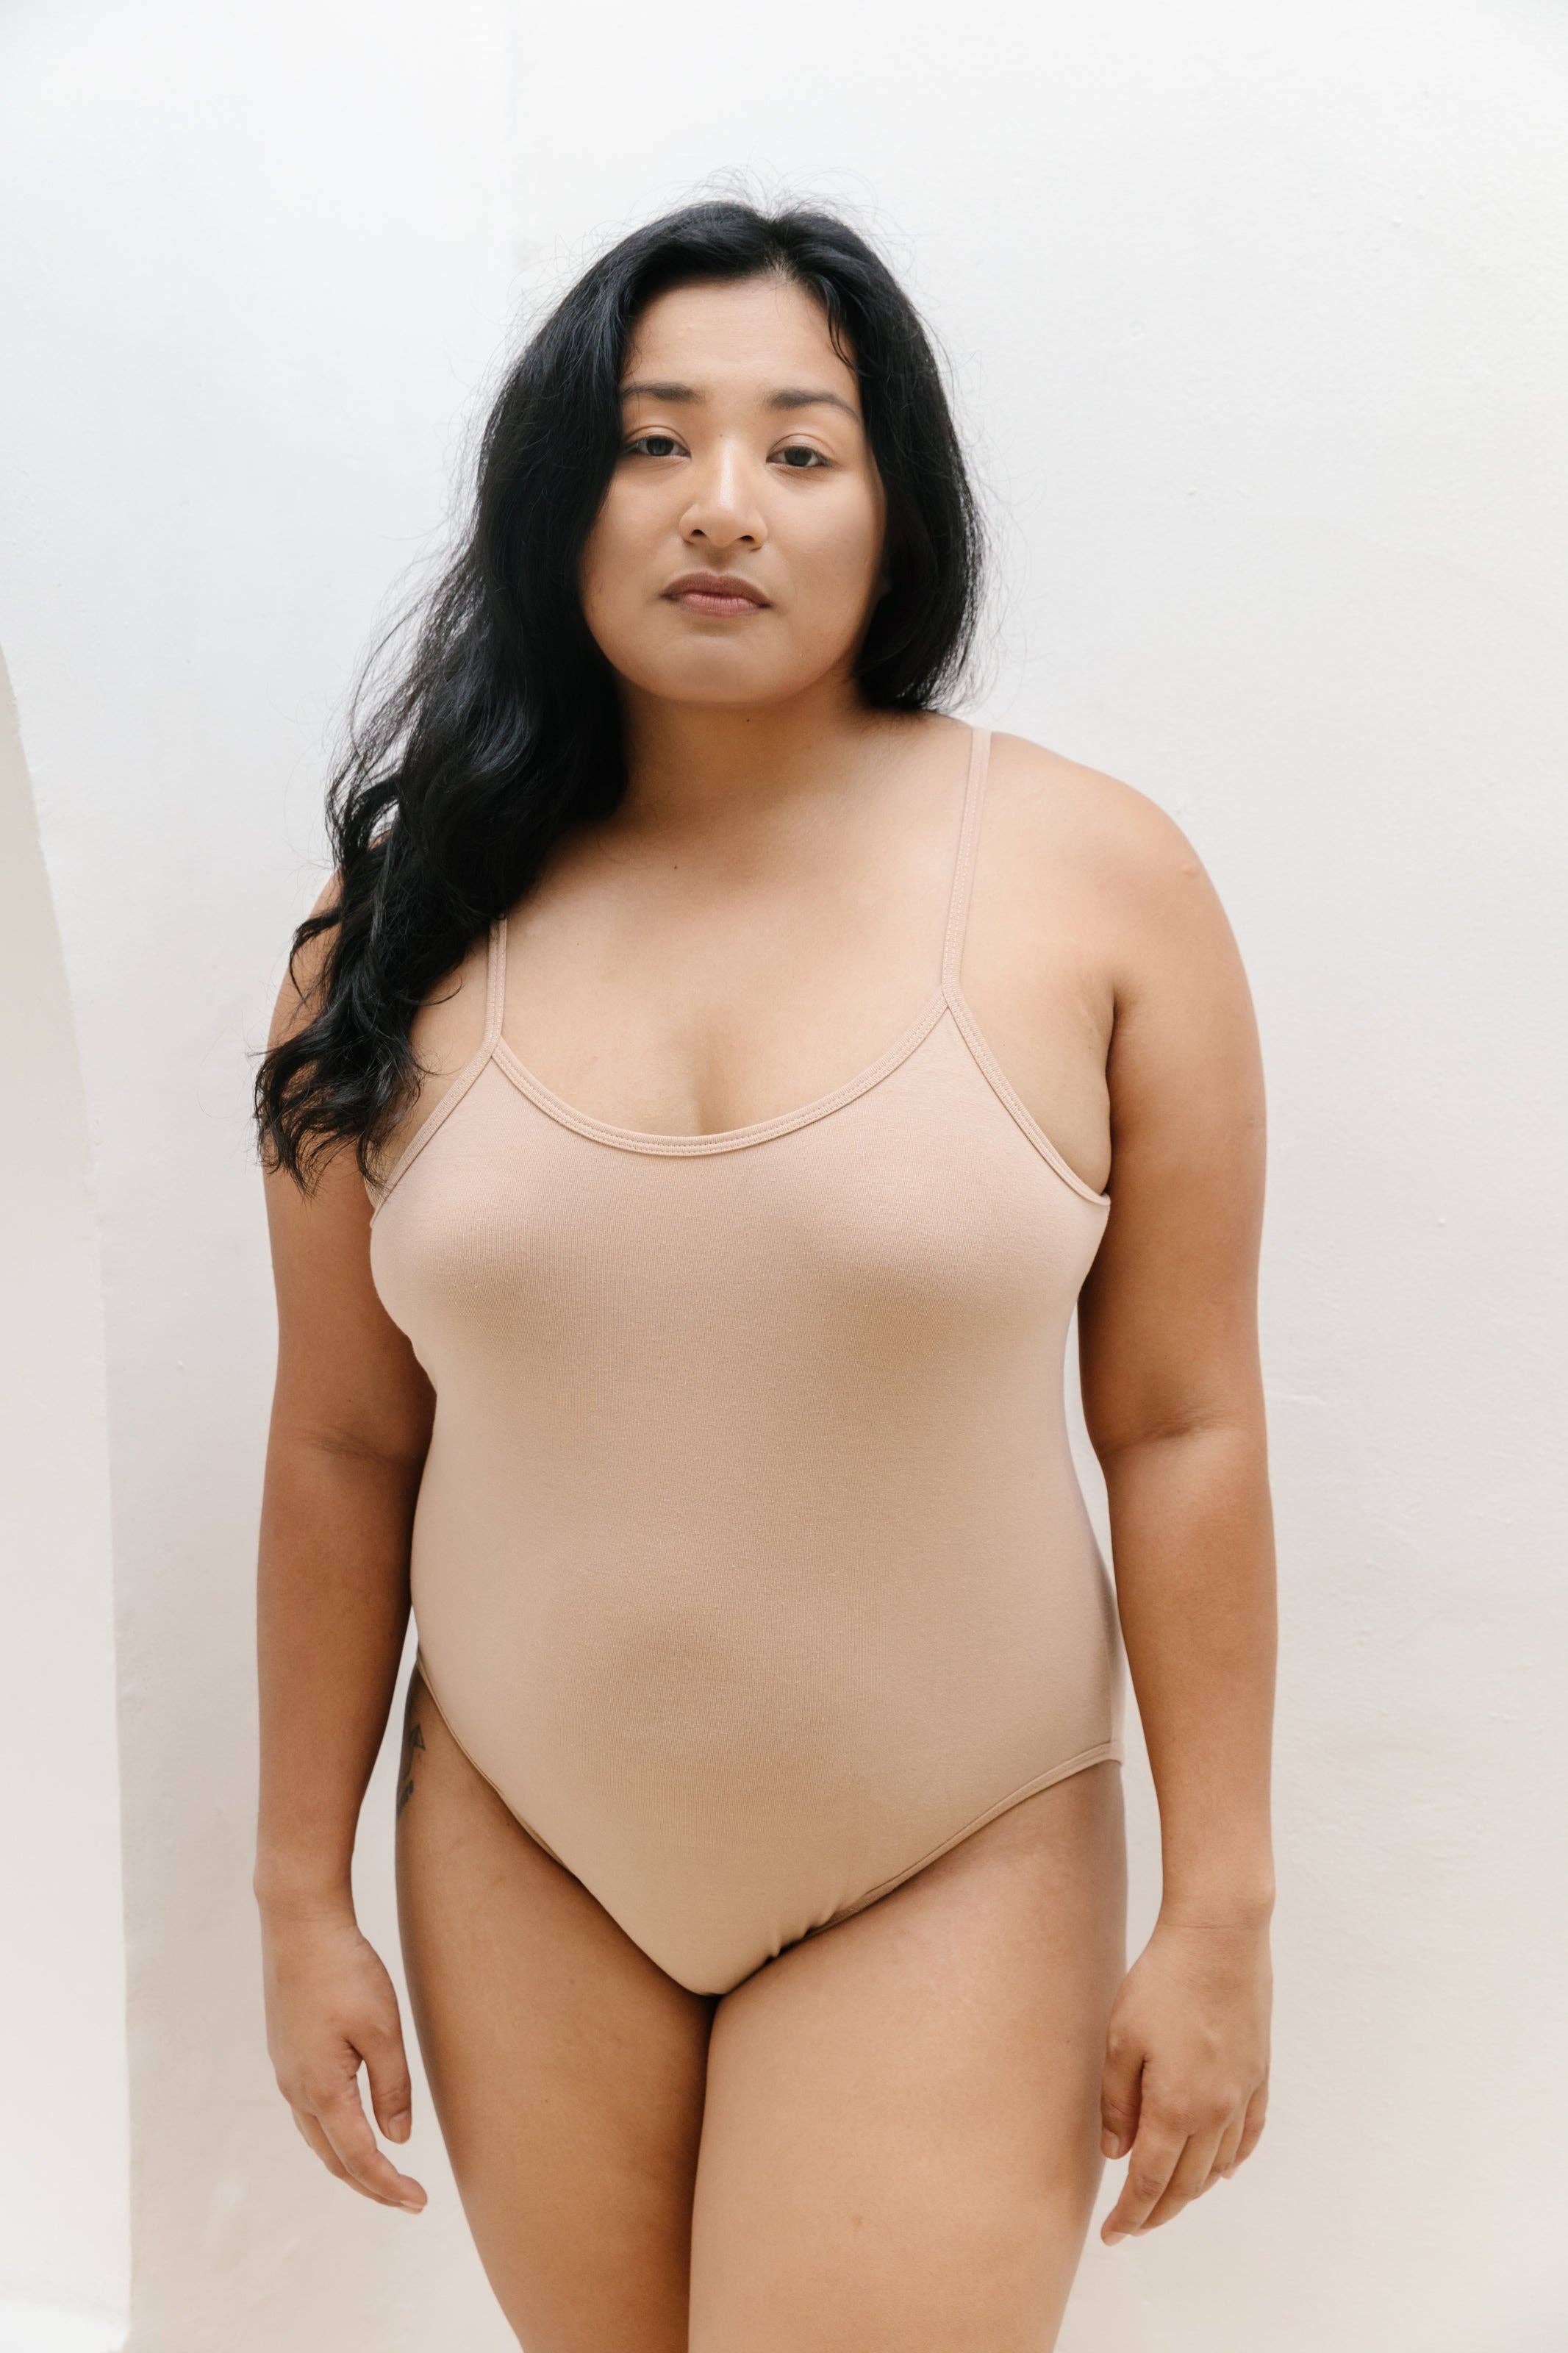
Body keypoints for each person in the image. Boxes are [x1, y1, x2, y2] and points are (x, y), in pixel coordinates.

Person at [251, 196, 1275, 2351]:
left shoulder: (1095, 882)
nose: (721, 503)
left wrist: (1224, 1908)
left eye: (801, 448)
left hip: (954, 1844)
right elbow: (342, 1442)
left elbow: (1182, 1424)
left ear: (898, 513)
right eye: (652, 441)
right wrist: (295, 1894)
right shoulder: (392, 938)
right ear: (558, 495)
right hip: (520, 1843)